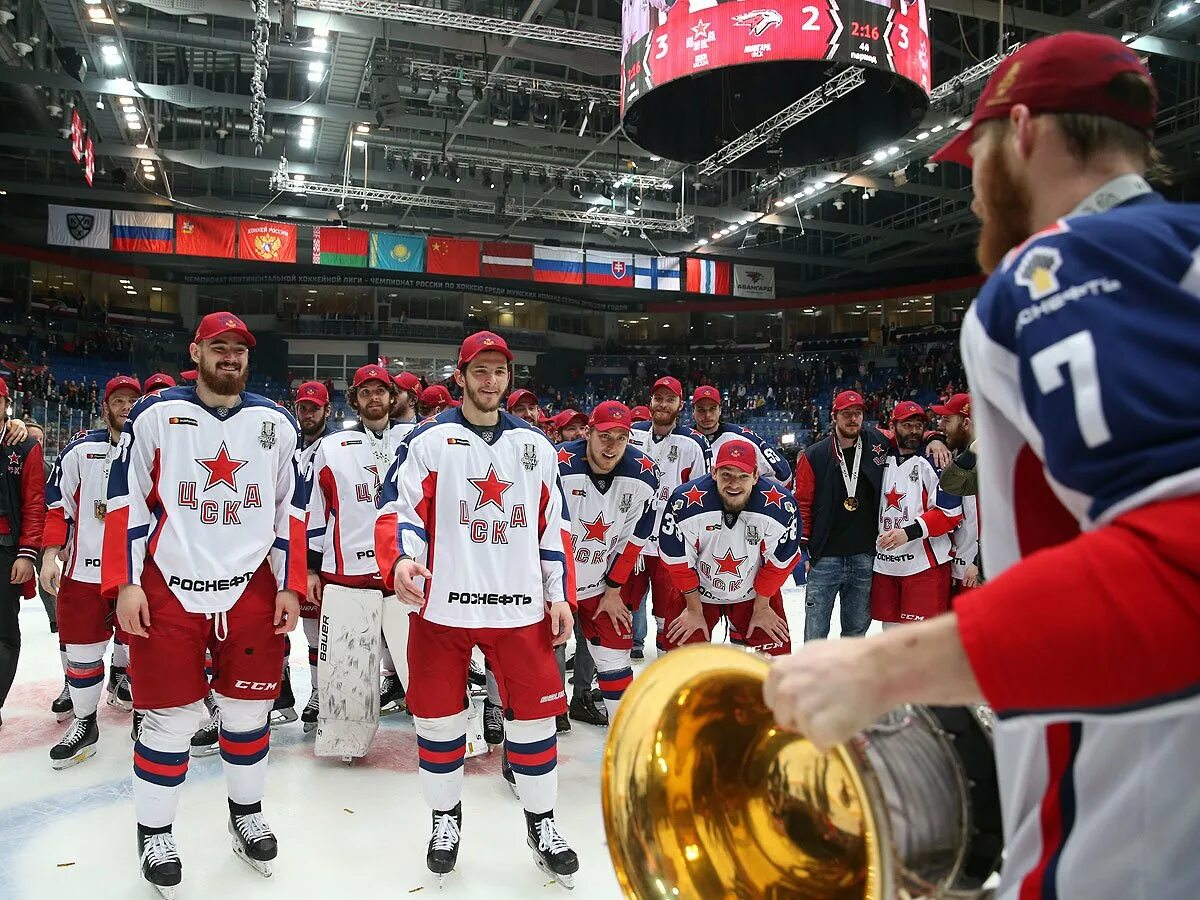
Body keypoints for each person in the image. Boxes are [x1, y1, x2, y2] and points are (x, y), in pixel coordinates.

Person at [764, 33, 1200, 900]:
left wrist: (884, 669)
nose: (969, 183)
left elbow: (1181, 557)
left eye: (979, 152)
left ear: (1026, 133)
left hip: (1135, 824)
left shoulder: (1058, 269)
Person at [102, 312, 305, 894]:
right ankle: (155, 830)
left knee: (247, 716)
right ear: (196, 352)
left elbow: (289, 510)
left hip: (251, 589)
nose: (231, 358)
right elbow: (125, 502)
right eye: (219, 348)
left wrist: (289, 584)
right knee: (169, 719)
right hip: (168, 586)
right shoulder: (154, 415)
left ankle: (246, 812)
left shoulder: (275, 422)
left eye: (239, 350)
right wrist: (125, 583)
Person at [375, 331, 579, 888]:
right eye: (481, 372)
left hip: (521, 611)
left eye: (501, 372)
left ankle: (543, 824)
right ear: (459, 376)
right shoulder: (428, 440)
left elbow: (552, 528)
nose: (492, 383)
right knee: (439, 722)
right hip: (443, 609)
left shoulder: (535, 447)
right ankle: (445, 818)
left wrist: (558, 593)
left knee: (536, 722)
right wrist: (400, 562)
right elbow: (399, 511)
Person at [42, 376, 142, 768]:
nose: (126, 407)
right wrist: (50, 553)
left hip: (136, 575)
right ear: (105, 406)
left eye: (133, 401)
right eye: (118, 400)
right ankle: (86, 722)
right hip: (84, 573)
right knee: (82, 654)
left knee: (140, 651)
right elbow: (57, 506)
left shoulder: (152, 448)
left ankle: (145, 716)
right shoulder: (80, 450)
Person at [306, 364, 411, 734]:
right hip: (347, 571)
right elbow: (319, 511)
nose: (373, 397)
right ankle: (344, 732)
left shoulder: (416, 439)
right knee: (347, 667)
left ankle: (438, 725)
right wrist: (311, 567)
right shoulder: (332, 447)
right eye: (365, 392)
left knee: (420, 661)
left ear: (392, 396)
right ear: (353, 401)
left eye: (380, 390)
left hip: (405, 567)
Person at [794, 390, 948, 641]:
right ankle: (813, 679)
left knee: (856, 632)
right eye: (846, 414)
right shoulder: (814, 455)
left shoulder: (877, 441)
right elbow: (803, 505)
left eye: (858, 413)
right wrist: (804, 552)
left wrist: (934, 437)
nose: (852, 419)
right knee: (816, 633)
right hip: (825, 559)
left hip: (864, 557)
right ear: (834, 416)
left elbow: (907, 432)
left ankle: (853, 679)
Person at [557, 401, 658, 722]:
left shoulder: (644, 474)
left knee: (616, 655)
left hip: (600, 587)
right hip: (551, 586)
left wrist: (614, 590)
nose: (612, 446)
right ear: (588, 432)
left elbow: (634, 540)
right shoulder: (556, 465)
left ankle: (623, 740)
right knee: (535, 668)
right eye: (605, 436)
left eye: (621, 437)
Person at [658, 439, 799, 654]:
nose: (734, 483)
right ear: (714, 472)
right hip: (697, 591)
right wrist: (694, 609)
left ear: (755, 476)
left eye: (743, 476)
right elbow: (677, 562)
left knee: (777, 662)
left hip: (755, 592)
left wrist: (762, 606)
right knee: (680, 661)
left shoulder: (781, 506)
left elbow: (780, 562)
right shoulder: (683, 502)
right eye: (726, 474)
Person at [625, 376, 710, 653]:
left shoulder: (693, 443)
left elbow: (702, 496)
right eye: (658, 398)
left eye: (669, 399)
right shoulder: (632, 434)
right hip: (630, 541)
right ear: (650, 402)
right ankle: (616, 675)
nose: (663, 404)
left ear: (680, 404)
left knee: (668, 616)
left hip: (670, 545)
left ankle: (666, 673)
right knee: (622, 610)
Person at [871, 401, 963, 627]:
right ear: (893, 427)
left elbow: (950, 514)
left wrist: (907, 533)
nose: (914, 430)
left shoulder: (936, 461)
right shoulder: (880, 457)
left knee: (922, 640)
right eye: (907, 425)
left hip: (925, 566)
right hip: (885, 565)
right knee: (890, 634)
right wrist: (934, 436)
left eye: (919, 425)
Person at [0, 376, 46, 733]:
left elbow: (34, 503)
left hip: (5, 551)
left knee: (3, 633)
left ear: (5, 405)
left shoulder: (23, 445)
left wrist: (27, 553)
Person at [690, 385, 792, 485]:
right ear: (693, 411)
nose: (707, 415)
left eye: (712, 409)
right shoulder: (683, 438)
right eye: (701, 410)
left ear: (720, 410)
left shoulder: (743, 437)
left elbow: (783, 474)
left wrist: (752, 495)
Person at [931, 393, 981, 590]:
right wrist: (932, 438)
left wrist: (980, 563)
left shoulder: (988, 462)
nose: (941, 426)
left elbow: (998, 520)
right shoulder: (959, 454)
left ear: (966, 423)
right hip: (959, 566)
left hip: (975, 572)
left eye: (947, 420)